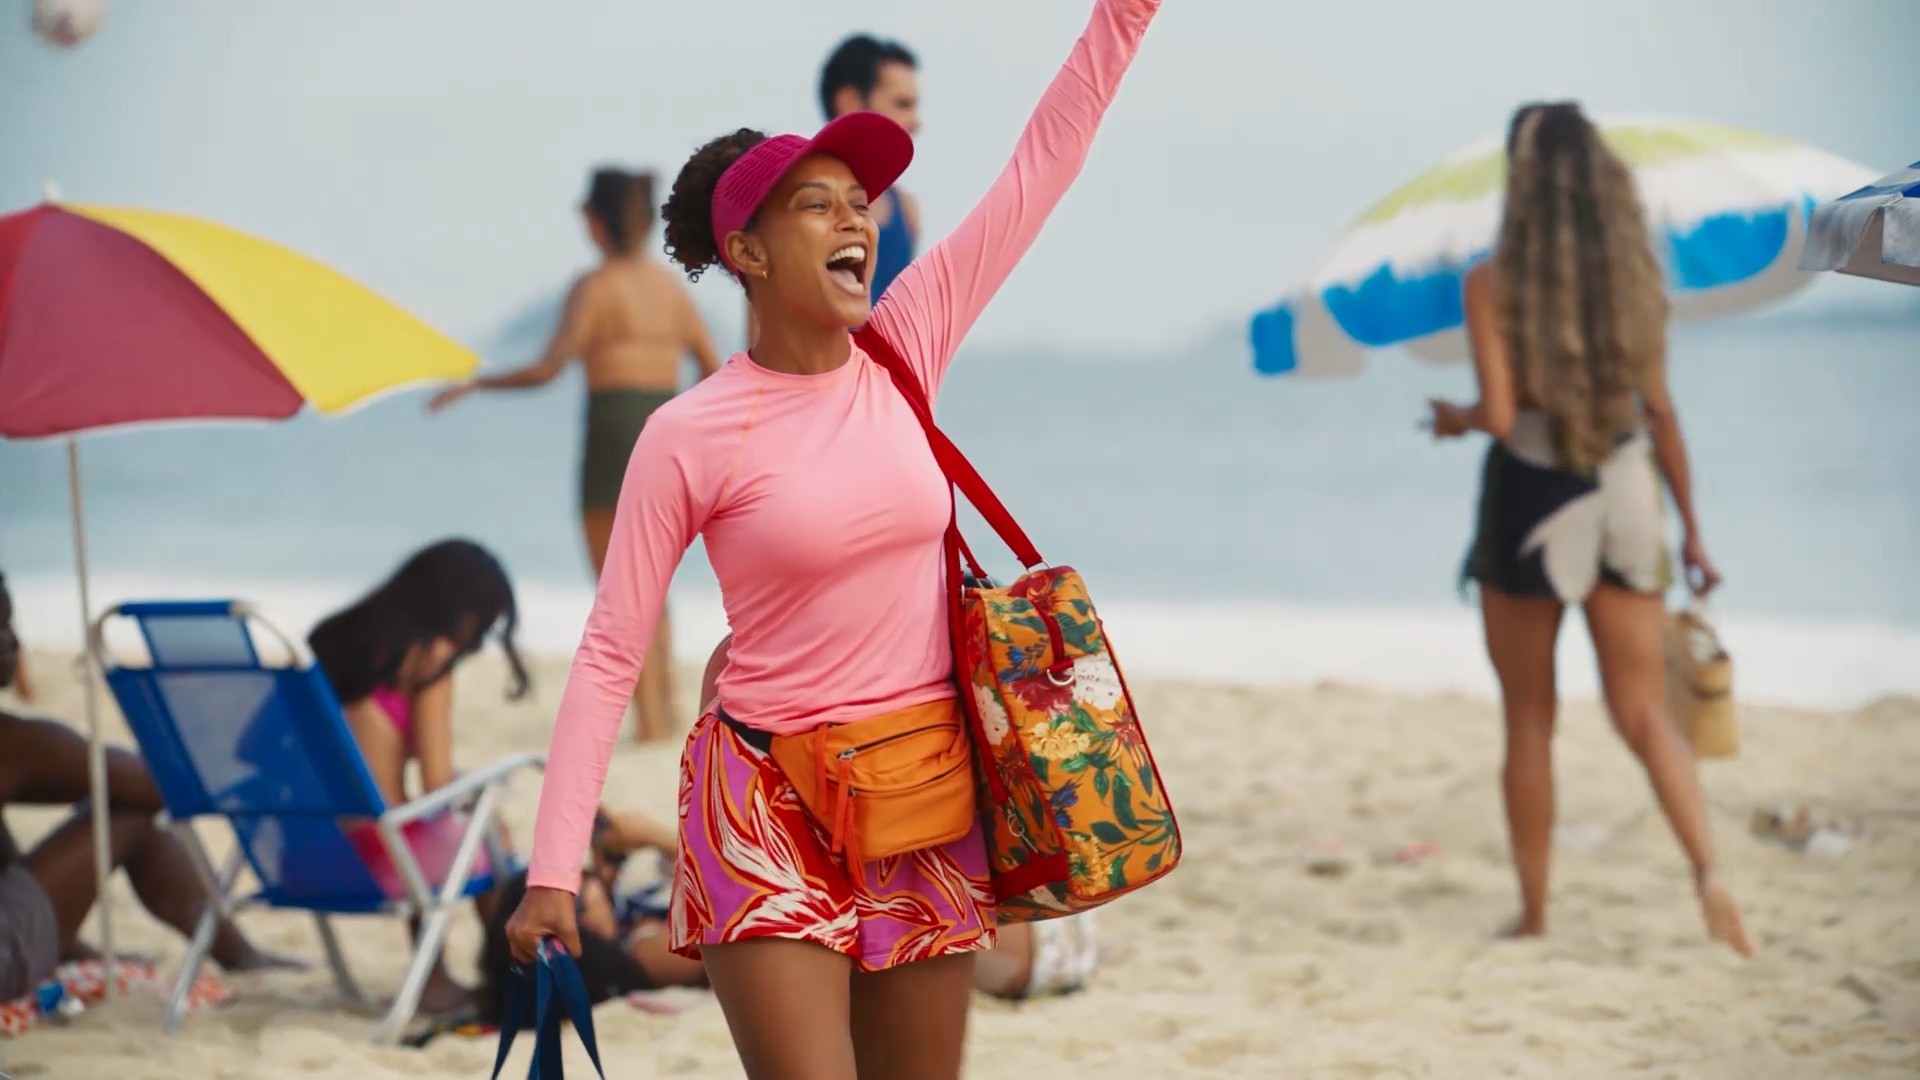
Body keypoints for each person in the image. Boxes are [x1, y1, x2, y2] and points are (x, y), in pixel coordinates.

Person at [505, 0, 1162, 1073]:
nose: (856, 220)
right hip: (764, 799)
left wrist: (1124, 15)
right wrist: (550, 867)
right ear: (747, 252)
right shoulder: (688, 434)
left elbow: (1045, 161)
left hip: (925, 790)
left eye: (861, 201)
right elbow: (613, 647)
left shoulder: (909, 346)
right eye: (818, 205)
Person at [1426, 101, 1753, 958]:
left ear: (1520, 179)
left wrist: (1454, 419)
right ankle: (1710, 876)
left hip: (1534, 500)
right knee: (1646, 713)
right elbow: (1662, 412)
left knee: (1530, 719)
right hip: (1628, 492)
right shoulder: (1636, 277)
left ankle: (1535, 914)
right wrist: (1694, 533)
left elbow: (1503, 415)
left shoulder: (1492, 283)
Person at [429, 167, 720, 743]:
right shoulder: (670, 290)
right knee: (655, 585)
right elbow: (713, 369)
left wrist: (477, 384)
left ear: (597, 220)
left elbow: (547, 368)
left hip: (613, 437)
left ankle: (649, 719)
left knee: (620, 587)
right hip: (667, 439)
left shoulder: (597, 287)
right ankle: (660, 720)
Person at [707, 31, 927, 727]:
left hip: (887, 419)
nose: (917, 118)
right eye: (902, 101)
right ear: (849, 101)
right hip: (807, 425)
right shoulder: (791, 218)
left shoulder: (907, 214)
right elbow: (767, 332)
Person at [0, 573, 297, 1003]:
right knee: (132, 808)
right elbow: (168, 785)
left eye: (12, 624)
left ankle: (66, 944)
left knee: (112, 794)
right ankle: (237, 953)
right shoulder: (14, 745)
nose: (14, 643)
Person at [308, 538, 533, 1012]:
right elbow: (436, 784)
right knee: (487, 832)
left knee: (434, 821)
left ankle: (440, 977)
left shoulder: (330, 640)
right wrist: (479, 796)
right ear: (462, 609)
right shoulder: (429, 657)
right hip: (380, 858)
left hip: (307, 852)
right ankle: (503, 980)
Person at [478, 807, 704, 1023]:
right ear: (578, 928)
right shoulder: (646, 949)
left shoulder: (619, 935)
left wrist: (607, 868)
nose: (587, 875)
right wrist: (657, 837)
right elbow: (728, 911)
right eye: (581, 883)